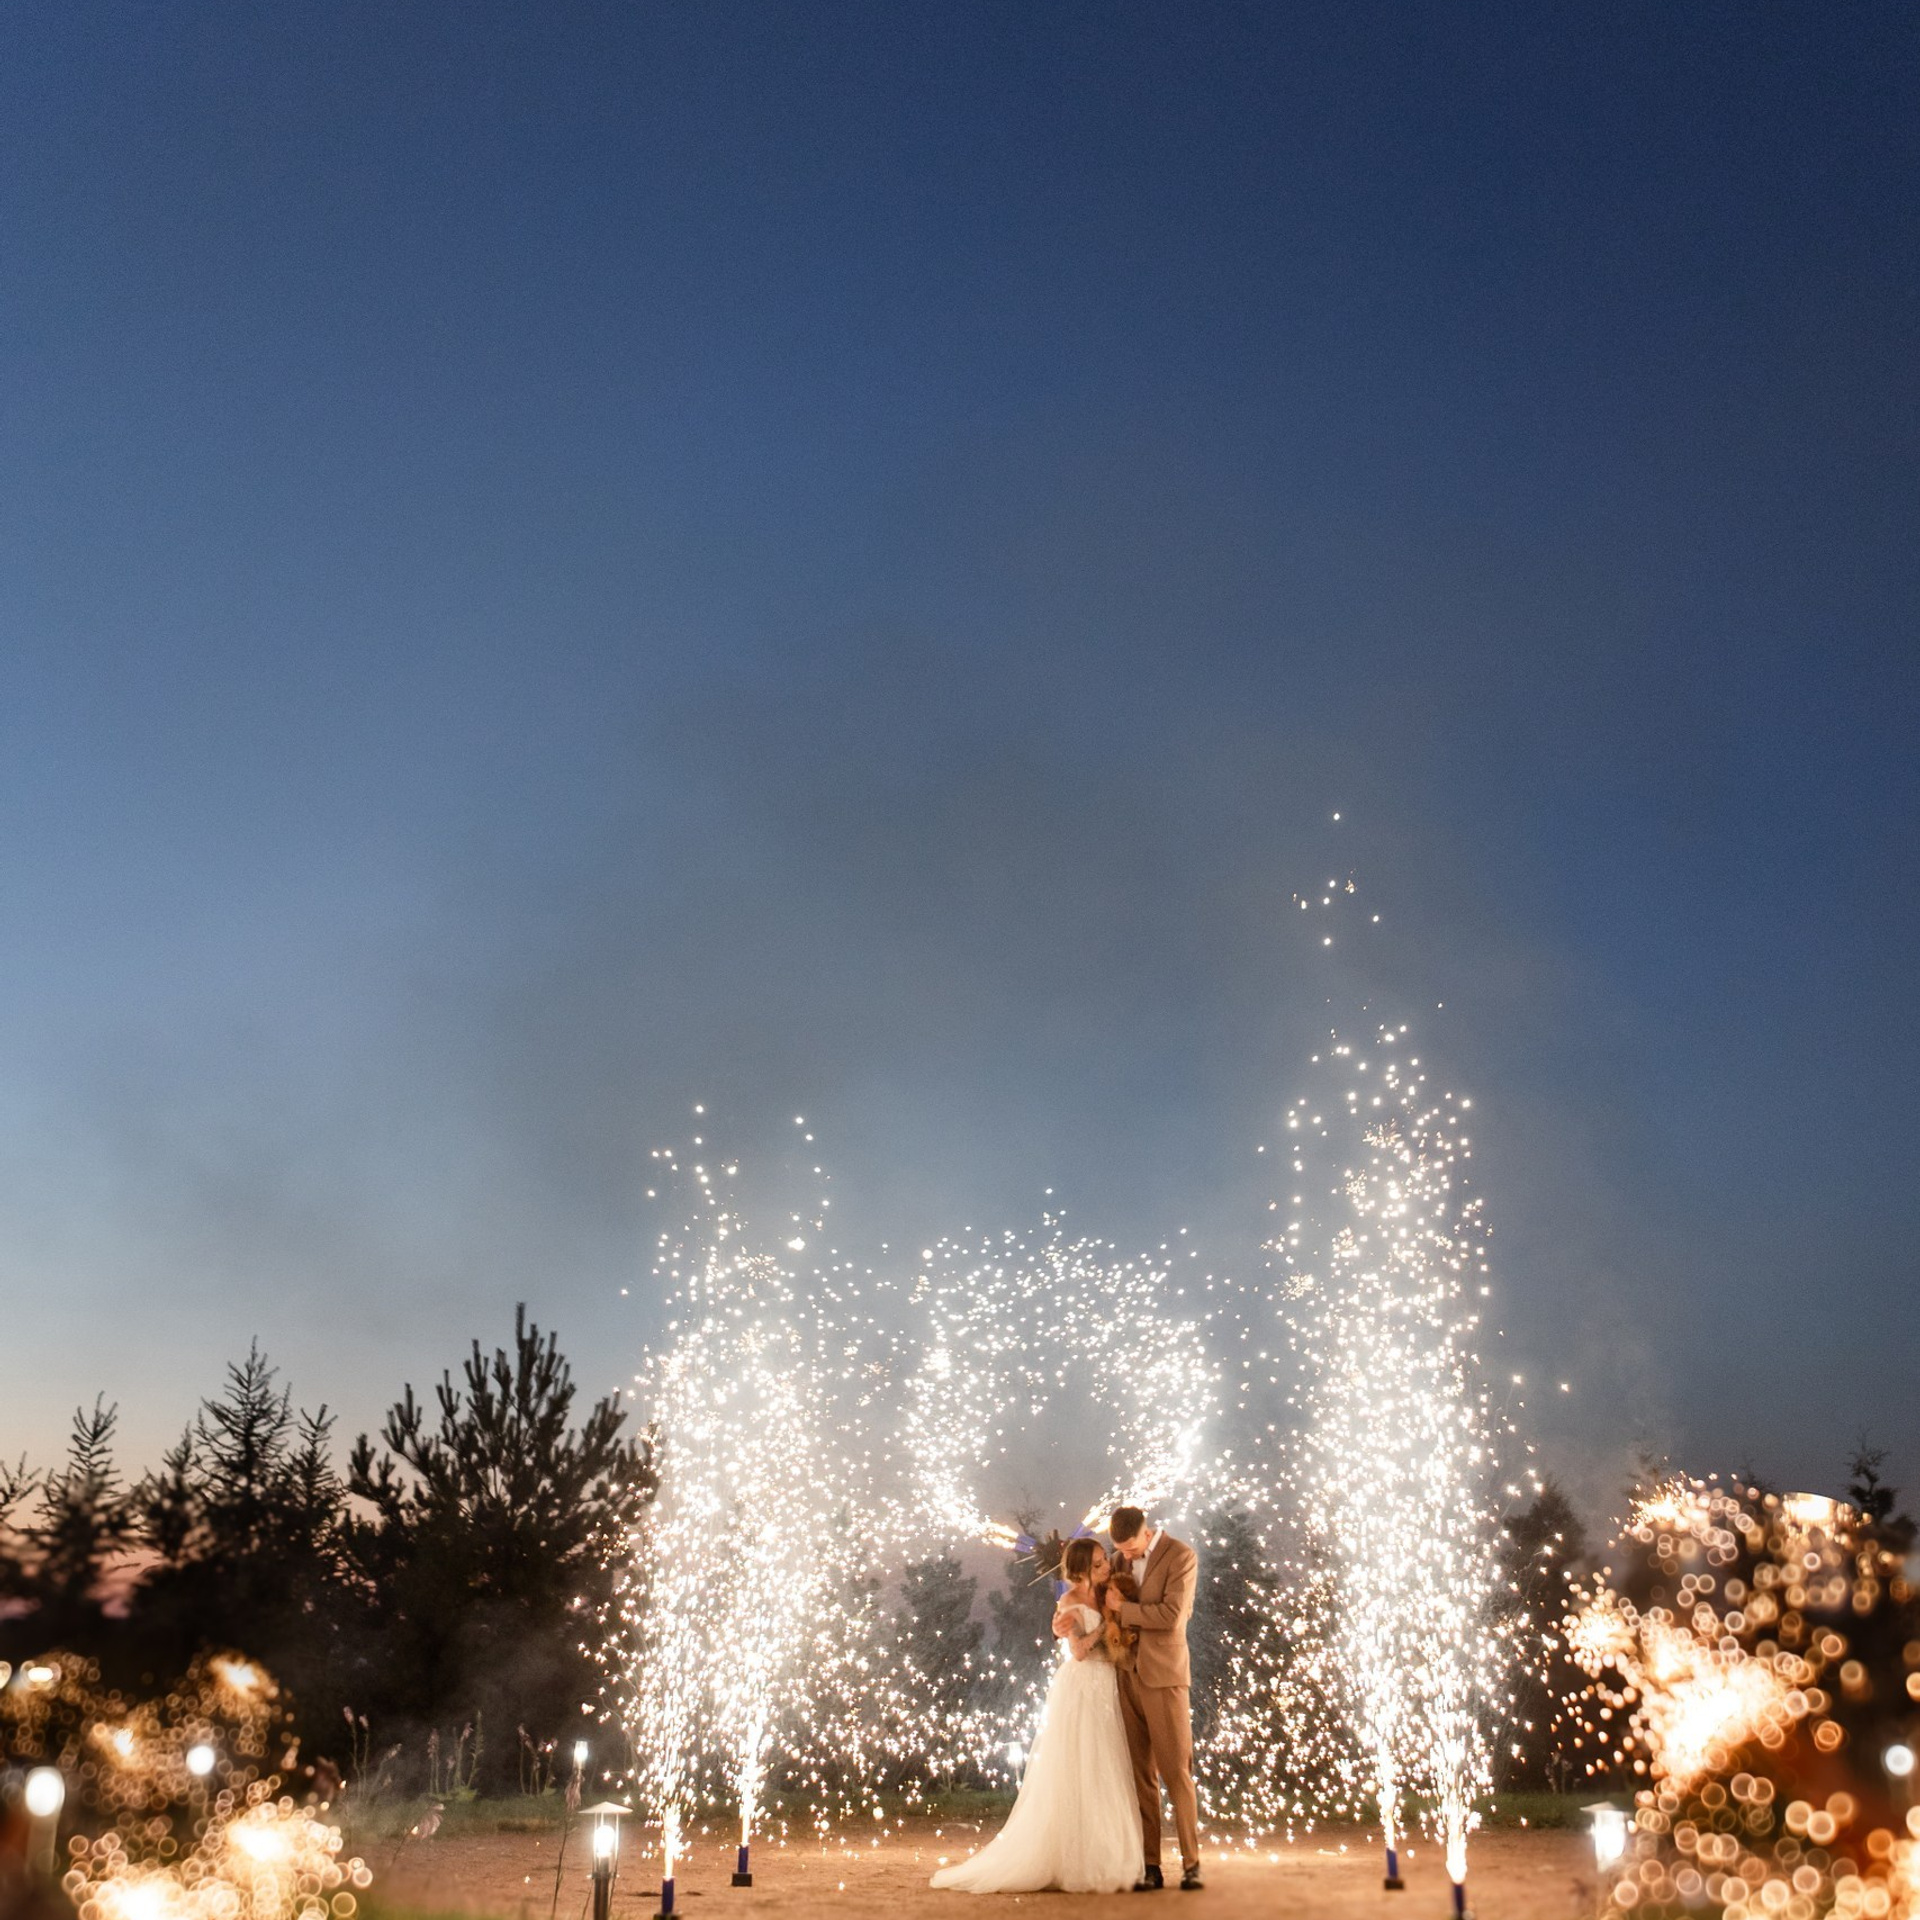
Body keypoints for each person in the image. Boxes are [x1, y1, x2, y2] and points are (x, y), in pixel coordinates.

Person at [930, 1537, 1143, 1894]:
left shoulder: (1110, 1589)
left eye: (1105, 1559)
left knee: (1107, 1764)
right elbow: (1076, 1651)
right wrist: (1105, 1625)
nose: (1107, 1566)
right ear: (1080, 1570)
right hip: (1081, 1687)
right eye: (1098, 1563)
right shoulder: (1069, 1601)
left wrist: (1115, 1615)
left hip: (1107, 1684)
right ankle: (1072, 1859)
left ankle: (1108, 1854)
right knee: (1080, 1763)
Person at [1103, 1506, 1201, 1891]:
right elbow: (1095, 1600)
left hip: (1164, 1678)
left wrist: (1124, 1610)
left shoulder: (1181, 1556)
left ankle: (1192, 1864)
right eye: (1119, 1549)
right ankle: (1150, 1866)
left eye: (1129, 1548)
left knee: (1176, 1771)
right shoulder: (1115, 1559)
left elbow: (1172, 1615)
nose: (1124, 1557)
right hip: (1126, 1673)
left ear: (1146, 1534)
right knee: (1139, 1776)